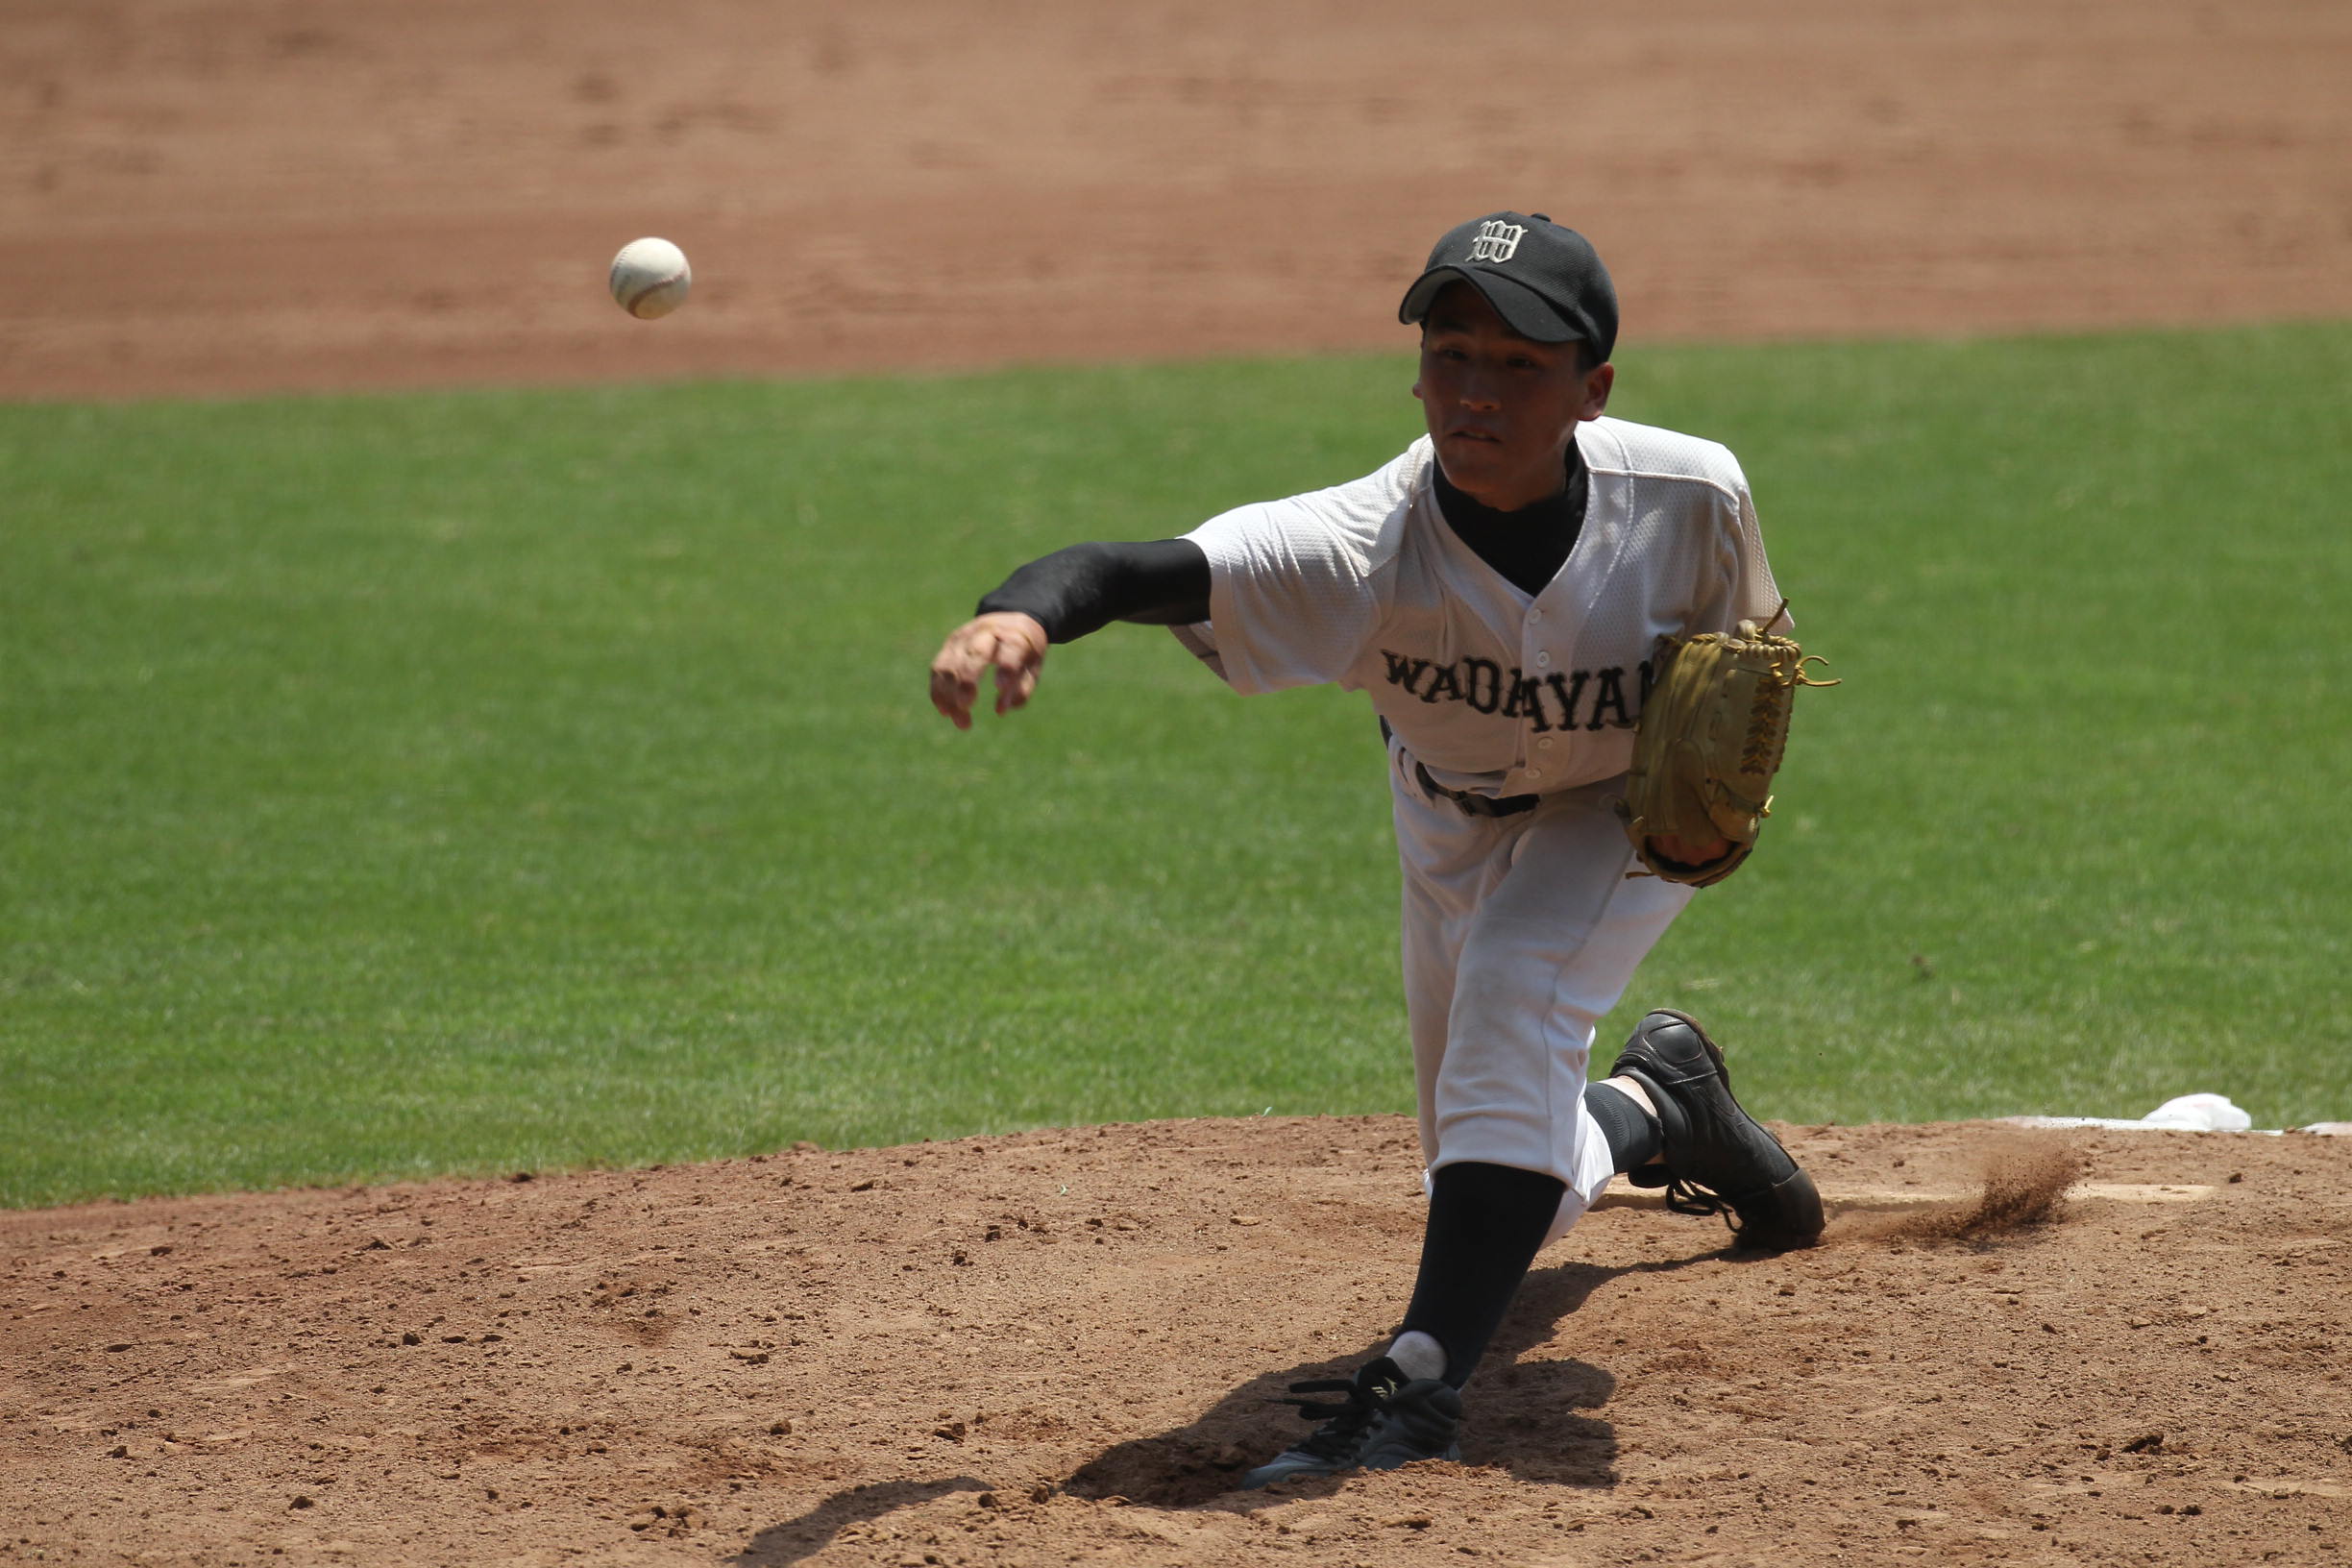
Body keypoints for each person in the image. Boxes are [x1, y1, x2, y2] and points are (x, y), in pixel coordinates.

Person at [926, 211, 1824, 1487]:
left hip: (1617, 819)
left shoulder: (1691, 494)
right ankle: (1657, 1109)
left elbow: (1757, 672)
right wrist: (1019, 616)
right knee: (1487, 1151)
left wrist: (1723, 811)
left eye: (1520, 365)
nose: (1476, 391)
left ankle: (1416, 1387)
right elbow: (1137, 569)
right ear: (1416, 374)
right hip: (1445, 819)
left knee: (1517, 995)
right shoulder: (1359, 547)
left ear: (1592, 390)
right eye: (1452, 354)